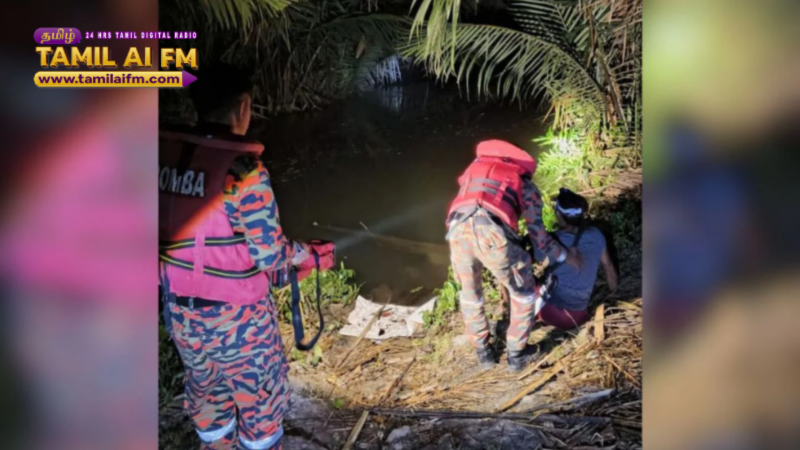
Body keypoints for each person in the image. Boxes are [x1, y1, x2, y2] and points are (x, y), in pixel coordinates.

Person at [159, 64, 311, 450]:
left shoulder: (166, 159)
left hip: (181, 314)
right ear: (243, 106)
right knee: (260, 402)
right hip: (238, 321)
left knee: (207, 395)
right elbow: (269, 256)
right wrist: (304, 253)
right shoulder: (244, 172)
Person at [446, 140, 581, 373]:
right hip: (492, 236)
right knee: (523, 293)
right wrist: (564, 256)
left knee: (470, 293)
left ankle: (483, 351)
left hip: (457, 230)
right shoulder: (524, 185)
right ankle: (517, 354)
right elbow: (539, 239)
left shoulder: (473, 171)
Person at [536, 188, 618, 329]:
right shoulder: (597, 235)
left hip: (551, 313)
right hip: (579, 316)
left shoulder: (552, 241)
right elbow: (608, 267)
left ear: (558, 214)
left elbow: (531, 261)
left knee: (524, 281)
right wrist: (616, 296)